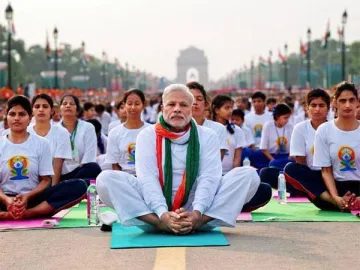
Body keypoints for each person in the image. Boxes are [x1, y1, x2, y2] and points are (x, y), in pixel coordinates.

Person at [96, 84, 262, 234]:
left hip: (198, 207)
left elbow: (208, 177)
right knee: (105, 180)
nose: (177, 109)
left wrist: (197, 213)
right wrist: (162, 215)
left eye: (183, 105)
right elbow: (147, 179)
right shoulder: (147, 135)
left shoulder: (207, 136)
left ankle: (197, 223)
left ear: (191, 109)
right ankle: (159, 224)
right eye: (171, 104)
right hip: (153, 209)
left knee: (249, 175)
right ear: (162, 108)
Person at [0, 96, 87, 221]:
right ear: (6, 116)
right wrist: (8, 200)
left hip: (33, 197)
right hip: (4, 199)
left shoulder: (42, 143)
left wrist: (27, 196)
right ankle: (12, 212)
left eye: (22, 114)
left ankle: (28, 213)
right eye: (12, 114)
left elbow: (46, 181)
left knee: (79, 185)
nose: (16, 118)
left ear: (30, 118)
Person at [285, 83, 360, 210]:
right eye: (342, 101)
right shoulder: (324, 130)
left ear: (357, 102)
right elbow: (326, 171)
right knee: (291, 169)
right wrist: (336, 198)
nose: (347, 105)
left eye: (351, 100)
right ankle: (337, 203)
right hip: (332, 186)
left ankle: (352, 202)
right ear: (335, 103)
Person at [262, 89, 330, 196]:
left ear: (328, 108)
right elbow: (300, 163)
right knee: (268, 173)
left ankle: (312, 192)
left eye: (322, 105)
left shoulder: (333, 128)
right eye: (313, 105)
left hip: (331, 175)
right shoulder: (300, 128)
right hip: (309, 174)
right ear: (307, 108)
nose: (317, 109)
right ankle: (312, 190)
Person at [28, 94, 72, 186]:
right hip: (31, 181)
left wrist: (52, 190)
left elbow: (58, 163)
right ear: (32, 111)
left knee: (91, 169)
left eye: (45, 106)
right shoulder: (26, 131)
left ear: (52, 111)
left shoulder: (61, 132)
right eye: (37, 106)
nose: (41, 109)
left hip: (58, 180)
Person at [60, 95, 102, 185]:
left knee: (94, 168)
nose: (68, 106)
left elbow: (89, 157)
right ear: (60, 110)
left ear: (78, 110)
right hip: (61, 175)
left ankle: (71, 185)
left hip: (82, 172)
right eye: (64, 103)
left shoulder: (88, 127)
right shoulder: (54, 129)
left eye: (71, 104)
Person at [106, 89, 150, 173]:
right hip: (125, 177)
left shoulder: (151, 131)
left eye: (137, 104)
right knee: (104, 176)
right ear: (124, 105)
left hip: (147, 175)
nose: (133, 107)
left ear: (143, 105)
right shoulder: (115, 133)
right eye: (129, 104)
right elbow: (115, 165)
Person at [187, 81, 228, 159]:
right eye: (191, 98)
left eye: (199, 99)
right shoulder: (176, 128)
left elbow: (216, 162)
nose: (195, 102)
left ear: (206, 105)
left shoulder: (218, 129)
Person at [259, 103, 294, 169]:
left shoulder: (290, 126)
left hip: (286, 156)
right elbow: (263, 148)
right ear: (277, 117)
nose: (287, 120)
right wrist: (273, 160)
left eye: (288, 118)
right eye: (285, 118)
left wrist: (289, 157)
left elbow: (294, 147)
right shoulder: (268, 126)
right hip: (270, 156)